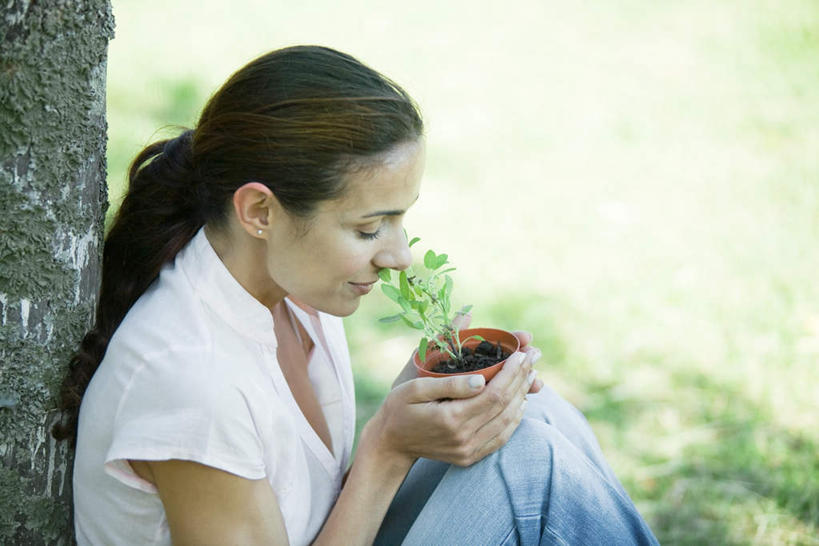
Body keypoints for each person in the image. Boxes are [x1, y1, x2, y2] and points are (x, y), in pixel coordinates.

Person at [53, 45, 658, 545]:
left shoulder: (293, 289)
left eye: (399, 221)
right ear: (260, 211)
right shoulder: (188, 382)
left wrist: (427, 397)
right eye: (369, 229)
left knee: (537, 416)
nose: (398, 256)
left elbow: (309, 500)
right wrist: (388, 448)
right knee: (530, 469)